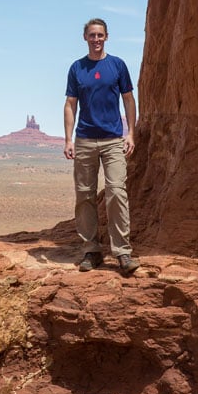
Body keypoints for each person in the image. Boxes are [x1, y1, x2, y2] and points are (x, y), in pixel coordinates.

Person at [64, 18, 140, 276]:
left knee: (117, 192)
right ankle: (91, 250)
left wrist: (130, 133)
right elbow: (70, 104)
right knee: (84, 195)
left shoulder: (117, 65)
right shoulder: (77, 68)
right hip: (85, 139)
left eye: (100, 35)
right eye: (92, 35)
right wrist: (68, 139)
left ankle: (122, 252)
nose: (96, 39)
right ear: (85, 37)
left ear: (107, 37)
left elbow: (129, 100)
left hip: (112, 140)